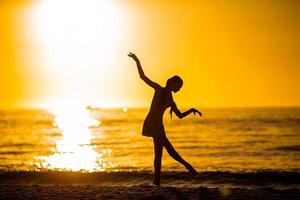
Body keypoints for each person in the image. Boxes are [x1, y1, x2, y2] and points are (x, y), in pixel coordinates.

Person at [128, 52, 202, 186]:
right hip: (152, 124)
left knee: (160, 153)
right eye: (179, 86)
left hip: (159, 126)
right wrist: (136, 60)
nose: (179, 89)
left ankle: (157, 181)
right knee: (169, 150)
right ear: (173, 83)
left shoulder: (171, 100)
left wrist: (191, 110)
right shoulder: (158, 89)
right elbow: (143, 77)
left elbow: (179, 116)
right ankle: (187, 166)